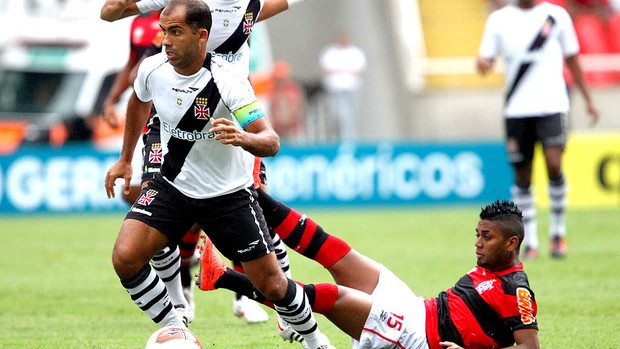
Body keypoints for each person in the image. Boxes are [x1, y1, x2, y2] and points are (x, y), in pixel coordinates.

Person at [104, 2, 334, 349]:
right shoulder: (152, 69)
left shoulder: (228, 81)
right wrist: (125, 160)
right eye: (163, 31)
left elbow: (270, 140)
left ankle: (316, 341)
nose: (164, 40)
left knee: (273, 286)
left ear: (201, 36)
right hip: (173, 187)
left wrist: (245, 138)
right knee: (125, 256)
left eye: (175, 32)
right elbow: (138, 100)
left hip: (226, 196)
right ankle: (176, 325)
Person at [197, 198, 540, 349]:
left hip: (417, 339)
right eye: (478, 234)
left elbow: (529, 347)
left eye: (487, 237)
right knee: (336, 252)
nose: (478, 243)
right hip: (417, 309)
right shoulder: (489, 266)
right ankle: (252, 195)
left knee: (328, 297)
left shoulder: (515, 289)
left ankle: (226, 278)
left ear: (512, 243)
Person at [476, 0, 599, 259]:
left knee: (554, 164)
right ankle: (529, 240)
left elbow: (573, 58)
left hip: (552, 105)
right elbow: (485, 58)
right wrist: (482, 64)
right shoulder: (499, 20)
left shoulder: (556, 16)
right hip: (517, 109)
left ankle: (557, 233)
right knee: (523, 175)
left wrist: (588, 99)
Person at [319, 30, 366, 141]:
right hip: (336, 89)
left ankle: (351, 139)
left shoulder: (355, 52)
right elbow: (328, 69)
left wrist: (340, 70)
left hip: (352, 88)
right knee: (337, 115)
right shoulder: (330, 52)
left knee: (351, 115)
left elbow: (359, 70)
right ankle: (339, 138)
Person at [267, 60, 305, 141]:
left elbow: (295, 110)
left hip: (293, 130)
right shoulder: (272, 91)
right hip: (278, 130)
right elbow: (272, 111)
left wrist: (286, 124)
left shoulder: (293, 90)